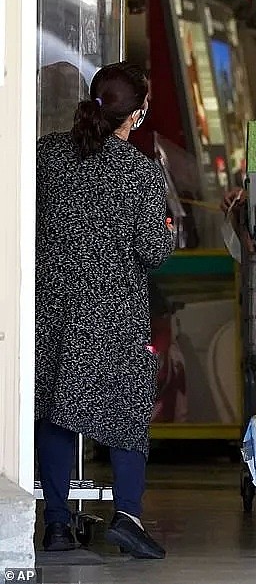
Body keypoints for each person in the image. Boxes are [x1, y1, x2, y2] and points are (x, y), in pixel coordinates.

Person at [35, 62, 175, 558]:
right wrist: (169, 231)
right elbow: (154, 251)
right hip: (115, 312)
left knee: (55, 411)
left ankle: (55, 524)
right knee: (127, 412)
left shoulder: (47, 156)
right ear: (135, 113)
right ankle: (127, 516)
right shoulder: (139, 171)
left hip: (52, 307)